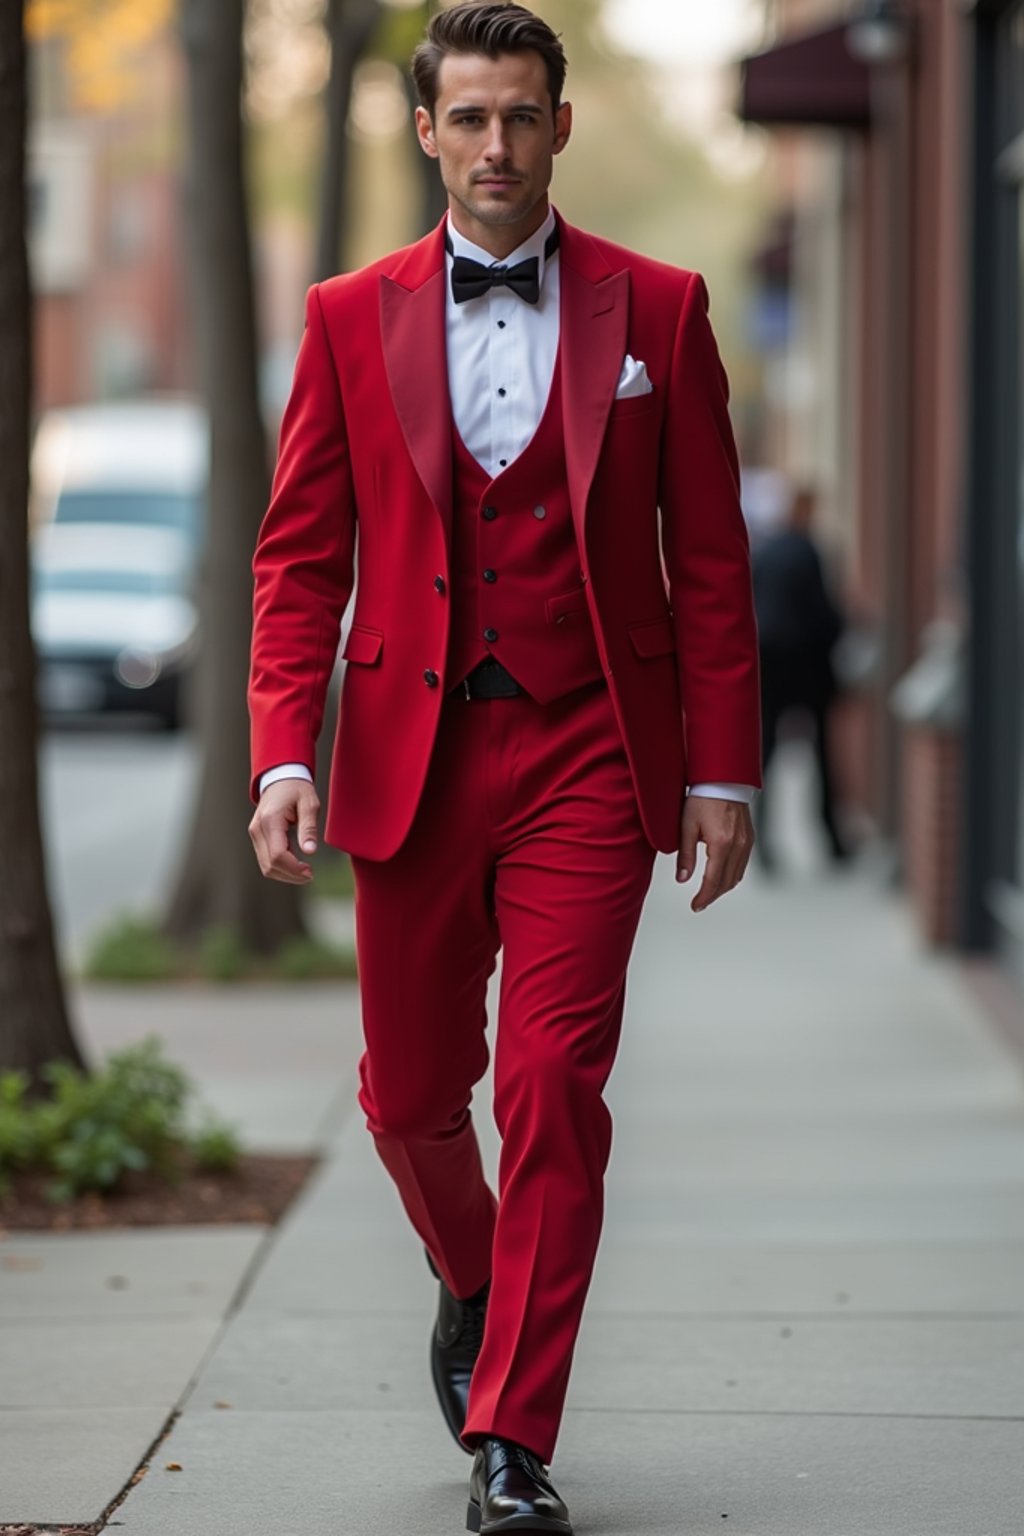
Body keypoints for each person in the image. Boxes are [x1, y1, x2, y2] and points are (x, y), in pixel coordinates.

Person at [247, 5, 761, 1531]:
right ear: (424, 131)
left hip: (593, 753)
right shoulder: (350, 315)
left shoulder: (659, 311)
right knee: (408, 1097)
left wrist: (719, 773)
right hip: (409, 750)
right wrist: (285, 748)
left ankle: (512, 1437)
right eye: (467, 118)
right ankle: (473, 1277)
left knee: (552, 1081)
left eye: (520, 116)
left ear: (560, 125)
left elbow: (713, 562)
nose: (494, 146)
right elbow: (298, 560)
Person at [751, 484, 848, 871]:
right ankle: (831, 839)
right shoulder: (808, 551)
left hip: (768, 661)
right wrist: (842, 629)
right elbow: (822, 613)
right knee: (823, 753)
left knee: (767, 752)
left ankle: (764, 840)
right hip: (807, 664)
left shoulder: (765, 551)